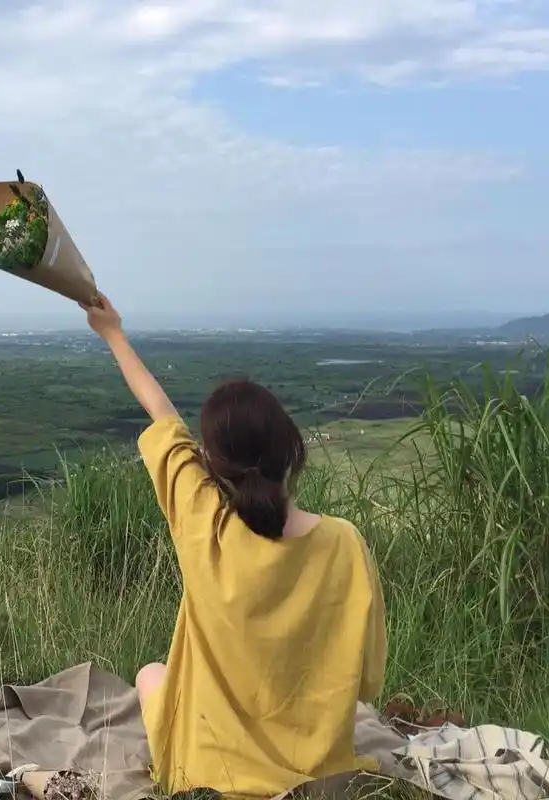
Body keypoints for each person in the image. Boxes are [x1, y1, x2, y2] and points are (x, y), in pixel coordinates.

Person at [80, 294, 387, 799]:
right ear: (292, 448)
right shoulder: (345, 544)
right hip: (319, 780)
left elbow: (162, 416)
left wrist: (113, 333)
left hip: (209, 776)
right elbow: (368, 683)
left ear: (211, 464)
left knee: (151, 676)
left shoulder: (204, 526)